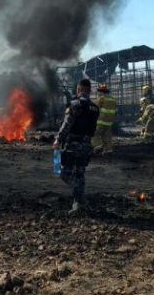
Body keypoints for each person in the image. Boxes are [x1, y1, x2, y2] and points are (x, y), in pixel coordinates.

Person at [53, 78, 99, 214]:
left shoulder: (74, 104)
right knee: (80, 173)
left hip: (73, 144)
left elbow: (67, 124)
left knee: (61, 172)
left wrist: (58, 140)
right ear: (90, 91)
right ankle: (79, 203)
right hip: (87, 145)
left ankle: (79, 197)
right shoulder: (95, 108)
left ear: (79, 89)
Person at [91, 83, 116, 154]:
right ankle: (108, 150)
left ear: (102, 92)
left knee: (94, 133)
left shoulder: (101, 98)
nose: (98, 93)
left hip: (101, 121)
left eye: (99, 91)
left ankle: (98, 146)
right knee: (107, 136)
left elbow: (94, 106)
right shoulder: (113, 100)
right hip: (109, 122)